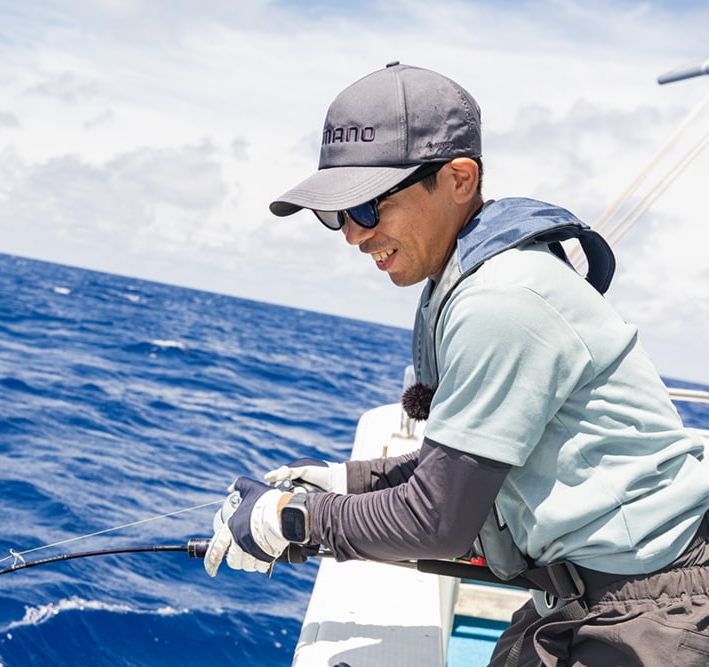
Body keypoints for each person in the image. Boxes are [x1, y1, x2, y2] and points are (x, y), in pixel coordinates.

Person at [203, 62, 709, 666]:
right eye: (334, 214)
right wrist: (345, 482)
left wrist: (292, 522)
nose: (351, 235)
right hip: (581, 596)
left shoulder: (502, 300)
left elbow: (437, 518)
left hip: (654, 609)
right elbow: (465, 464)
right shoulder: (471, 281)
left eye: (366, 208)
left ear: (458, 179)